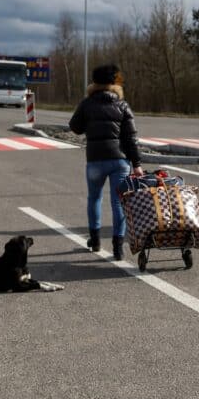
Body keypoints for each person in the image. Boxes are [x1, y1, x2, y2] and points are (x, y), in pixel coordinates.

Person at [68, 63, 144, 261]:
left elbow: (74, 127)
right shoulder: (122, 105)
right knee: (119, 202)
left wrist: (90, 125)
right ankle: (118, 247)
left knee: (94, 199)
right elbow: (131, 138)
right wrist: (137, 164)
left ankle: (95, 241)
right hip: (119, 161)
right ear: (114, 83)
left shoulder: (87, 103)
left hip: (95, 160)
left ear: (94, 82)